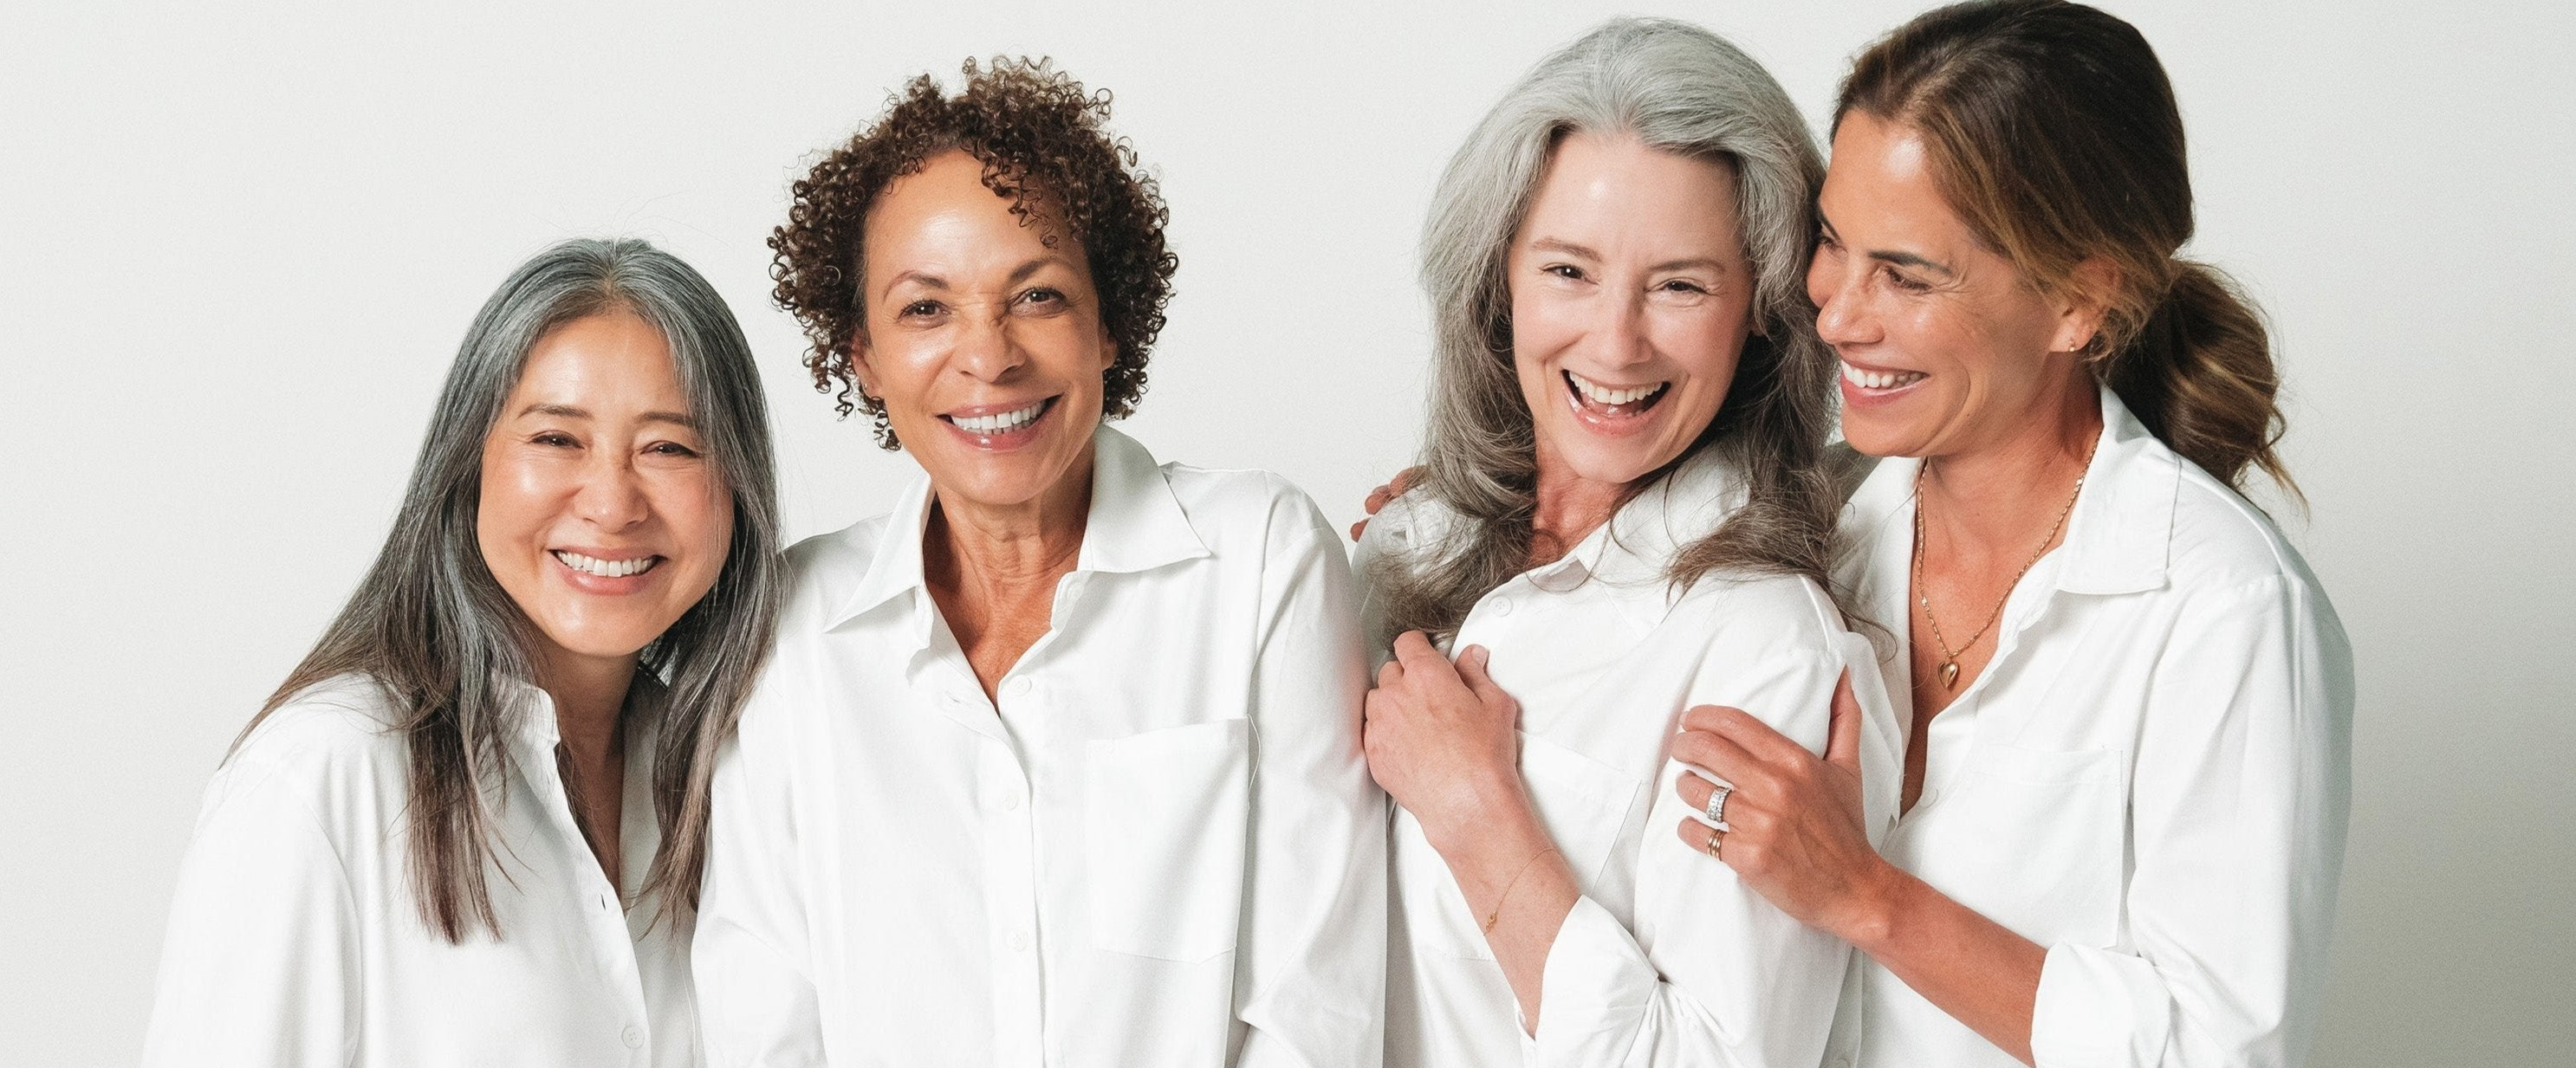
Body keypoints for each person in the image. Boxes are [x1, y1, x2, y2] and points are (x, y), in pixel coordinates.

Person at [1660, 3, 2355, 1065]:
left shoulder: (2224, 609)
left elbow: (2220, 1049)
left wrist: (1867, 895)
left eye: (1905, 273)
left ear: (2082, 302)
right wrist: (1478, 512)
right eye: (1833, 245)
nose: (1839, 312)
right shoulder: (1813, 535)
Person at [691, 58, 1385, 1067]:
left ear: (1108, 325)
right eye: (926, 309)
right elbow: (764, 1025)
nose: (989, 356)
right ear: (865, 358)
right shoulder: (794, 629)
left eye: (1039, 296)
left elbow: (1313, 1011)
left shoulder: (1258, 560)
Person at [1353, 19, 1903, 1068]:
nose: (1616, 343)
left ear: (1762, 313)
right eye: (1568, 271)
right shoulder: (1399, 547)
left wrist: (1479, 816)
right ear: (1498, 278)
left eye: (1682, 284)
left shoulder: (1765, 646)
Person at [140, 237, 784, 1066]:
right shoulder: (325, 773)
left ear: (737, 487)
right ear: (466, 464)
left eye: (669, 447)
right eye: (557, 439)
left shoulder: (730, 779)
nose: (613, 503)